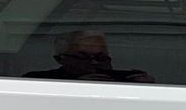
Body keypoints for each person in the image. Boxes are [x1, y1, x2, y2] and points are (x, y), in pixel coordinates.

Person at [23, 30, 154, 83]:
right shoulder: (39, 81)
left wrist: (146, 89)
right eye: (82, 57)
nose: (94, 63)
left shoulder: (123, 82)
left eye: (101, 57)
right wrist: (76, 86)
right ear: (60, 59)